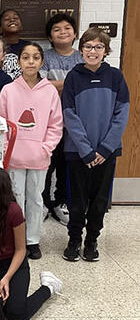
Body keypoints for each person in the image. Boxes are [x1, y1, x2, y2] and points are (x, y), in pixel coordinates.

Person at [61, 28, 129, 262]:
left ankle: (91, 241)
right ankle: (74, 239)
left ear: (106, 51)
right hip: (78, 152)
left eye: (98, 47)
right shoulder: (73, 77)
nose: (93, 51)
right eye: (88, 46)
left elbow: (121, 115)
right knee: (77, 201)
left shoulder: (116, 77)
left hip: (106, 153)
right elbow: (69, 114)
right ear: (81, 50)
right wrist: (86, 150)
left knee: (99, 201)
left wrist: (104, 149)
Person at [0, 42, 63, 260]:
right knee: (15, 199)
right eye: (26, 57)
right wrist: (7, 150)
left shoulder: (50, 91)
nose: (31, 61)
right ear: (19, 62)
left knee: (35, 198)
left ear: (42, 62)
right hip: (14, 156)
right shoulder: (9, 90)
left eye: (35, 57)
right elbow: (1, 123)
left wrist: (46, 148)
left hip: (38, 157)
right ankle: (17, 241)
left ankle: (32, 240)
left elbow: (55, 125)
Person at [0, 166, 63, 320]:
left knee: (17, 314)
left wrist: (6, 278)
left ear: (2, 183)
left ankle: (49, 287)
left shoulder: (13, 210)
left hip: (14, 265)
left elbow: (21, 250)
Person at [40, 13, 84, 226]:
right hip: (48, 119)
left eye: (67, 28)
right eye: (57, 29)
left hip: (76, 119)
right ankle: (44, 203)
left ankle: (62, 202)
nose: (63, 32)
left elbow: (86, 85)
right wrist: (72, 81)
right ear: (50, 35)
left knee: (68, 163)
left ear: (75, 33)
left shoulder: (82, 56)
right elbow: (41, 85)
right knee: (47, 163)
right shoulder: (45, 56)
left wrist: (56, 83)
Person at [0, 9, 29, 80]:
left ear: (21, 26)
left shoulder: (28, 46)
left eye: (16, 18)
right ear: (0, 28)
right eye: (7, 19)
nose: (12, 20)